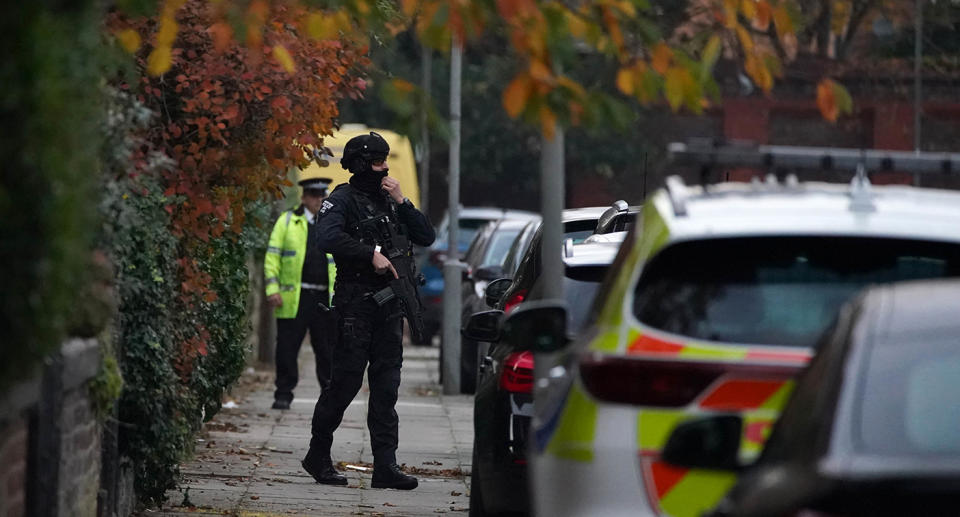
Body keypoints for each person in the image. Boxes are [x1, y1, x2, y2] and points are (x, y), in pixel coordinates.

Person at [301, 131, 435, 490]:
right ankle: (318, 453)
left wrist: (403, 201)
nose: (385, 167)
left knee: (387, 387)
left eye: (386, 160)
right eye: (378, 162)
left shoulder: (391, 200)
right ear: (361, 165)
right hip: (354, 306)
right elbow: (326, 238)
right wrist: (367, 254)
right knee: (343, 384)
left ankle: (385, 465)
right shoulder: (342, 200)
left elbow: (426, 236)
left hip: (389, 308)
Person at [264, 176, 337, 410]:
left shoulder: (334, 224)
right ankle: (283, 393)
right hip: (294, 296)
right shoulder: (287, 222)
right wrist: (272, 289)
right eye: (314, 196)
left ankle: (329, 394)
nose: (319, 200)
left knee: (327, 349)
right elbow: (272, 257)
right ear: (304, 198)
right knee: (287, 348)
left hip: (325, 299)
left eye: (322, 195)